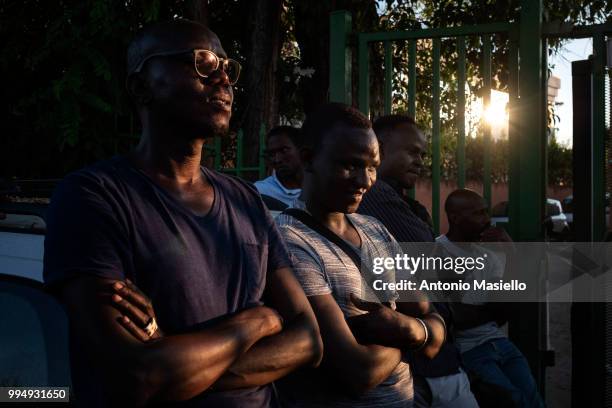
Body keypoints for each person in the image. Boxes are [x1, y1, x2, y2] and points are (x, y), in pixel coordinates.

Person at [43, 19, 322, 408]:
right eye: (203, 63)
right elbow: (138, 378)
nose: (223, 79)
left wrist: (178, 364)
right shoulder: (93, 198)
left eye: (228, 67)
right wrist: (256, 321)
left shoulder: (245, 200)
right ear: (142, 86)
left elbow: (309, 339)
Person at [275, 103, 446, 407]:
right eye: (351, 165)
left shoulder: (375, 229)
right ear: (308, 158)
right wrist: (414, 334)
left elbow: (433, 321)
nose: (366, 181)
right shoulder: (290, 240)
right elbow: (358, 371)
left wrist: (408, 329)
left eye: (372, 167)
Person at [358, 115, 478, 408]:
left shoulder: (402, 202)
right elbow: (437, 268)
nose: (420, 161)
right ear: (380, 149)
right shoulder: (377, 197)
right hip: (421, 365)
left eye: (422, 154)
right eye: (412, 152)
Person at [437, 189, 544, 408]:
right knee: (514, 402)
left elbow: (504, 310)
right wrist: (491, 309)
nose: (487, 220)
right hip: (468, 351)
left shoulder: (488, 256)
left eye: (487, 212)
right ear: (455, 217)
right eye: (478, 213)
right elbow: (457, 320)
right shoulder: (438, 252)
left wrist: (511, 252)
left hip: (499, 342)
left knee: (533, 400)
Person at [255, 126, 303, 210]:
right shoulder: (260, 192)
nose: (277, 160)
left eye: (284, 151)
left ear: (301, 150)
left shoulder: (319, 189)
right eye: (272, 154)